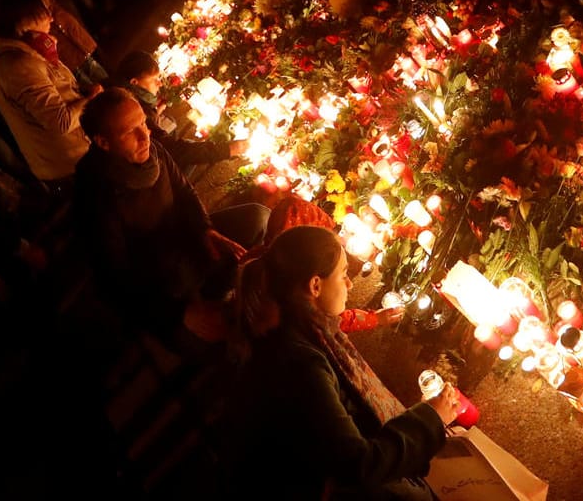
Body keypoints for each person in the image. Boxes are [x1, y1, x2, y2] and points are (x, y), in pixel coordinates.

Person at [227, 225, 458, 500]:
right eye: (344, 275)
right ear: (315, 285)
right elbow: (357, 465)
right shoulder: (300, 362)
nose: (349, 284)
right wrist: (429, 417)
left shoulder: (306, 331)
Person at [73, 88, 267, 342]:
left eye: (143, 122)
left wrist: (206, 230)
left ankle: (220, 296)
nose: (145, 136)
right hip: (157, 279)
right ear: (103, 142)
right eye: (130, 131)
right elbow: (115, 274)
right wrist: (181, 313)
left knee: (257, 217)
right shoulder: (96, 191)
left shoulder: (153, 152)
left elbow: (185, 192)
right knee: (220, 340)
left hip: (185, 241)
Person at [0, 0, 95, 182]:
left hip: (79, 153)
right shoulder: (16, 66)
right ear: (24, 23)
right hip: (70, 165)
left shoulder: (32, 50)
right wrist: (90, 99)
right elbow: (59, 122)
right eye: (44, 14)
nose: (51, 19)